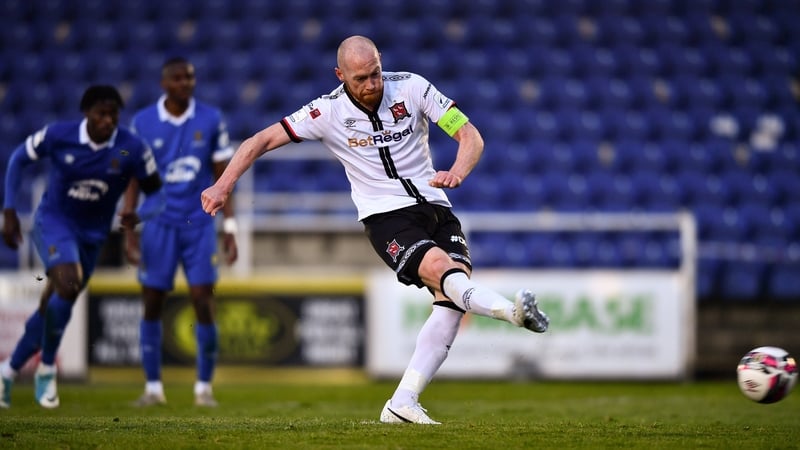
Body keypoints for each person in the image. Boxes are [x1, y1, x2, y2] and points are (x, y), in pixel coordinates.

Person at [200, 36, 550, 424]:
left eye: (375, 74)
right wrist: (223, 186)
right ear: (340, 75)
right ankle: (512, 313)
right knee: (444, 272)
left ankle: (402, 402)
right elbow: (260, 140)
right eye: (360, 79)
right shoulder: (326, 111)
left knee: (451, 301)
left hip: (436, 207)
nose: (371, 85)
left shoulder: (413, 88)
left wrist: (458, 171)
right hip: (387, 217)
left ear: (381, 62)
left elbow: (469, 134)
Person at [0, 85, 164, 409]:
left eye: (113, 115)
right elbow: (18, 158)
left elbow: (157, 193)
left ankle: (7, 371)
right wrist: (8, 210)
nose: (108, 121)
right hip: (54, 222)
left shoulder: (131, 147)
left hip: (93, 236)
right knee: (68, 283)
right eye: (101, 114)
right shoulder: (59, 135)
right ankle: (47, 369)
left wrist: (139, 214)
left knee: (54, 304)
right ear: (86, 113)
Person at [122, 56, 238, 408]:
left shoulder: (210, 118)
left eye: (189, 78)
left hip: (198, 223)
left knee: (203, 300)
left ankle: (204, 388)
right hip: (158, 223)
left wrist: (230, 226)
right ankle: (153, 388)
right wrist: (128, 229)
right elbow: (133, 177)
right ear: (164, 84)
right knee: (152, 301)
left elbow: (223, 176)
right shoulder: (143, 122)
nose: (185, 83)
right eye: (177, 78)